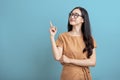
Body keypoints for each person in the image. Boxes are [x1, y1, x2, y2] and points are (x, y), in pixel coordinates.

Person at [49, 6, 97, 80]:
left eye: (76, 15)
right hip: (69, 76)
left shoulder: (89, 38)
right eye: (71, 14)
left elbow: (92, 62)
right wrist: (52, 37)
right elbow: (57, 57)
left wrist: (70, 60)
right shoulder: (63, 36)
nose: (72, 16)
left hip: (85, 76)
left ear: (83, 19)